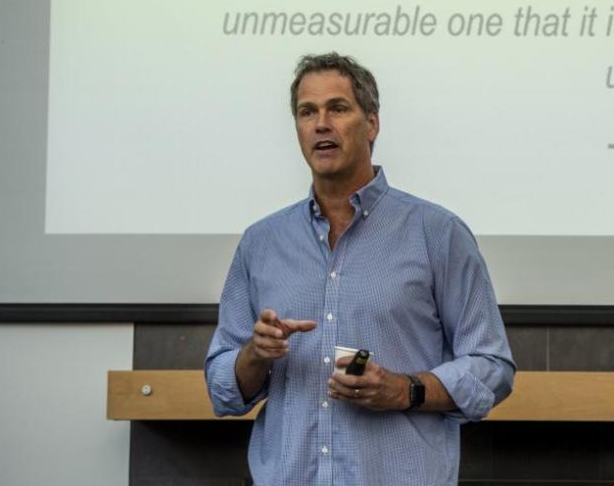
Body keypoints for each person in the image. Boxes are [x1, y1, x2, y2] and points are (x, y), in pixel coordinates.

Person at [205, 52, 515, 485]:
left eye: (337, 108)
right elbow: (222, 389)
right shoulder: (261, 243)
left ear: (371, 124)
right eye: (307, 112)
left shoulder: (437, 233)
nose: (321, 124)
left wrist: (404, 390)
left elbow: (492, 367)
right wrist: (254, 355)